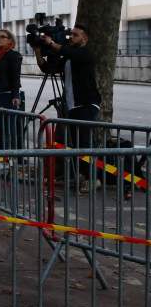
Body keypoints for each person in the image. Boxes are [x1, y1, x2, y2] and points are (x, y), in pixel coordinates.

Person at [40, 23, 102, 191]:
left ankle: (93, 178)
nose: (71, 37)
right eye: (71, 35)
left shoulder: (84, 54)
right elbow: (49, 68)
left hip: (87, 104)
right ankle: (81, 175)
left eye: (75, 35)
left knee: (84, 143)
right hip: (73, 106)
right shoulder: (69, 57)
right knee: (76, 144)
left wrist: (52, 43)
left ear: (84, 38)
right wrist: (38, 50)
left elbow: (67, 51)